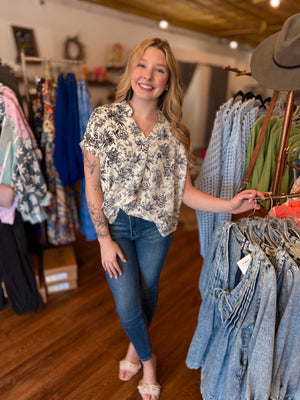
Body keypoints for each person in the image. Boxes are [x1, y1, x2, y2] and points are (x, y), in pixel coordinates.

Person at [80, 37, 267, 400]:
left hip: (157, 229)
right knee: (127, 303)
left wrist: (229, 206)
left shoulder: (174, 134)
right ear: (132, 71)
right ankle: (149, 361)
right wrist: (103, 239)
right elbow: (91, 186)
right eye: (142, 65)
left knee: (147, 296)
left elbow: (185, 193)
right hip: (116, 224)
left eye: (159, 69)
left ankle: (134, 350)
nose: (148, 75)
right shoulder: (104, 119)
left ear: (168, 81)